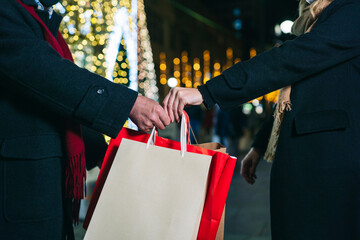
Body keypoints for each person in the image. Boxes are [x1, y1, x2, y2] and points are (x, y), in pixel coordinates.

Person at [163, 0, 360, 238]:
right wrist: (260, 144)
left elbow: (290, 59)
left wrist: (209, 91)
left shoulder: (352, 10)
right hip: (307, 162)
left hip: (330, 166)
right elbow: (300, 95)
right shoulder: (315, 20)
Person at [0, 0, 170, 239]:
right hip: (22, 186)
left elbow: (60, 106)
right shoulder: (9, 11)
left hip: (43, 184)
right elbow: (45, 73)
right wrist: (128, 103)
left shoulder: (43, 19)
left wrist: (107, 153)